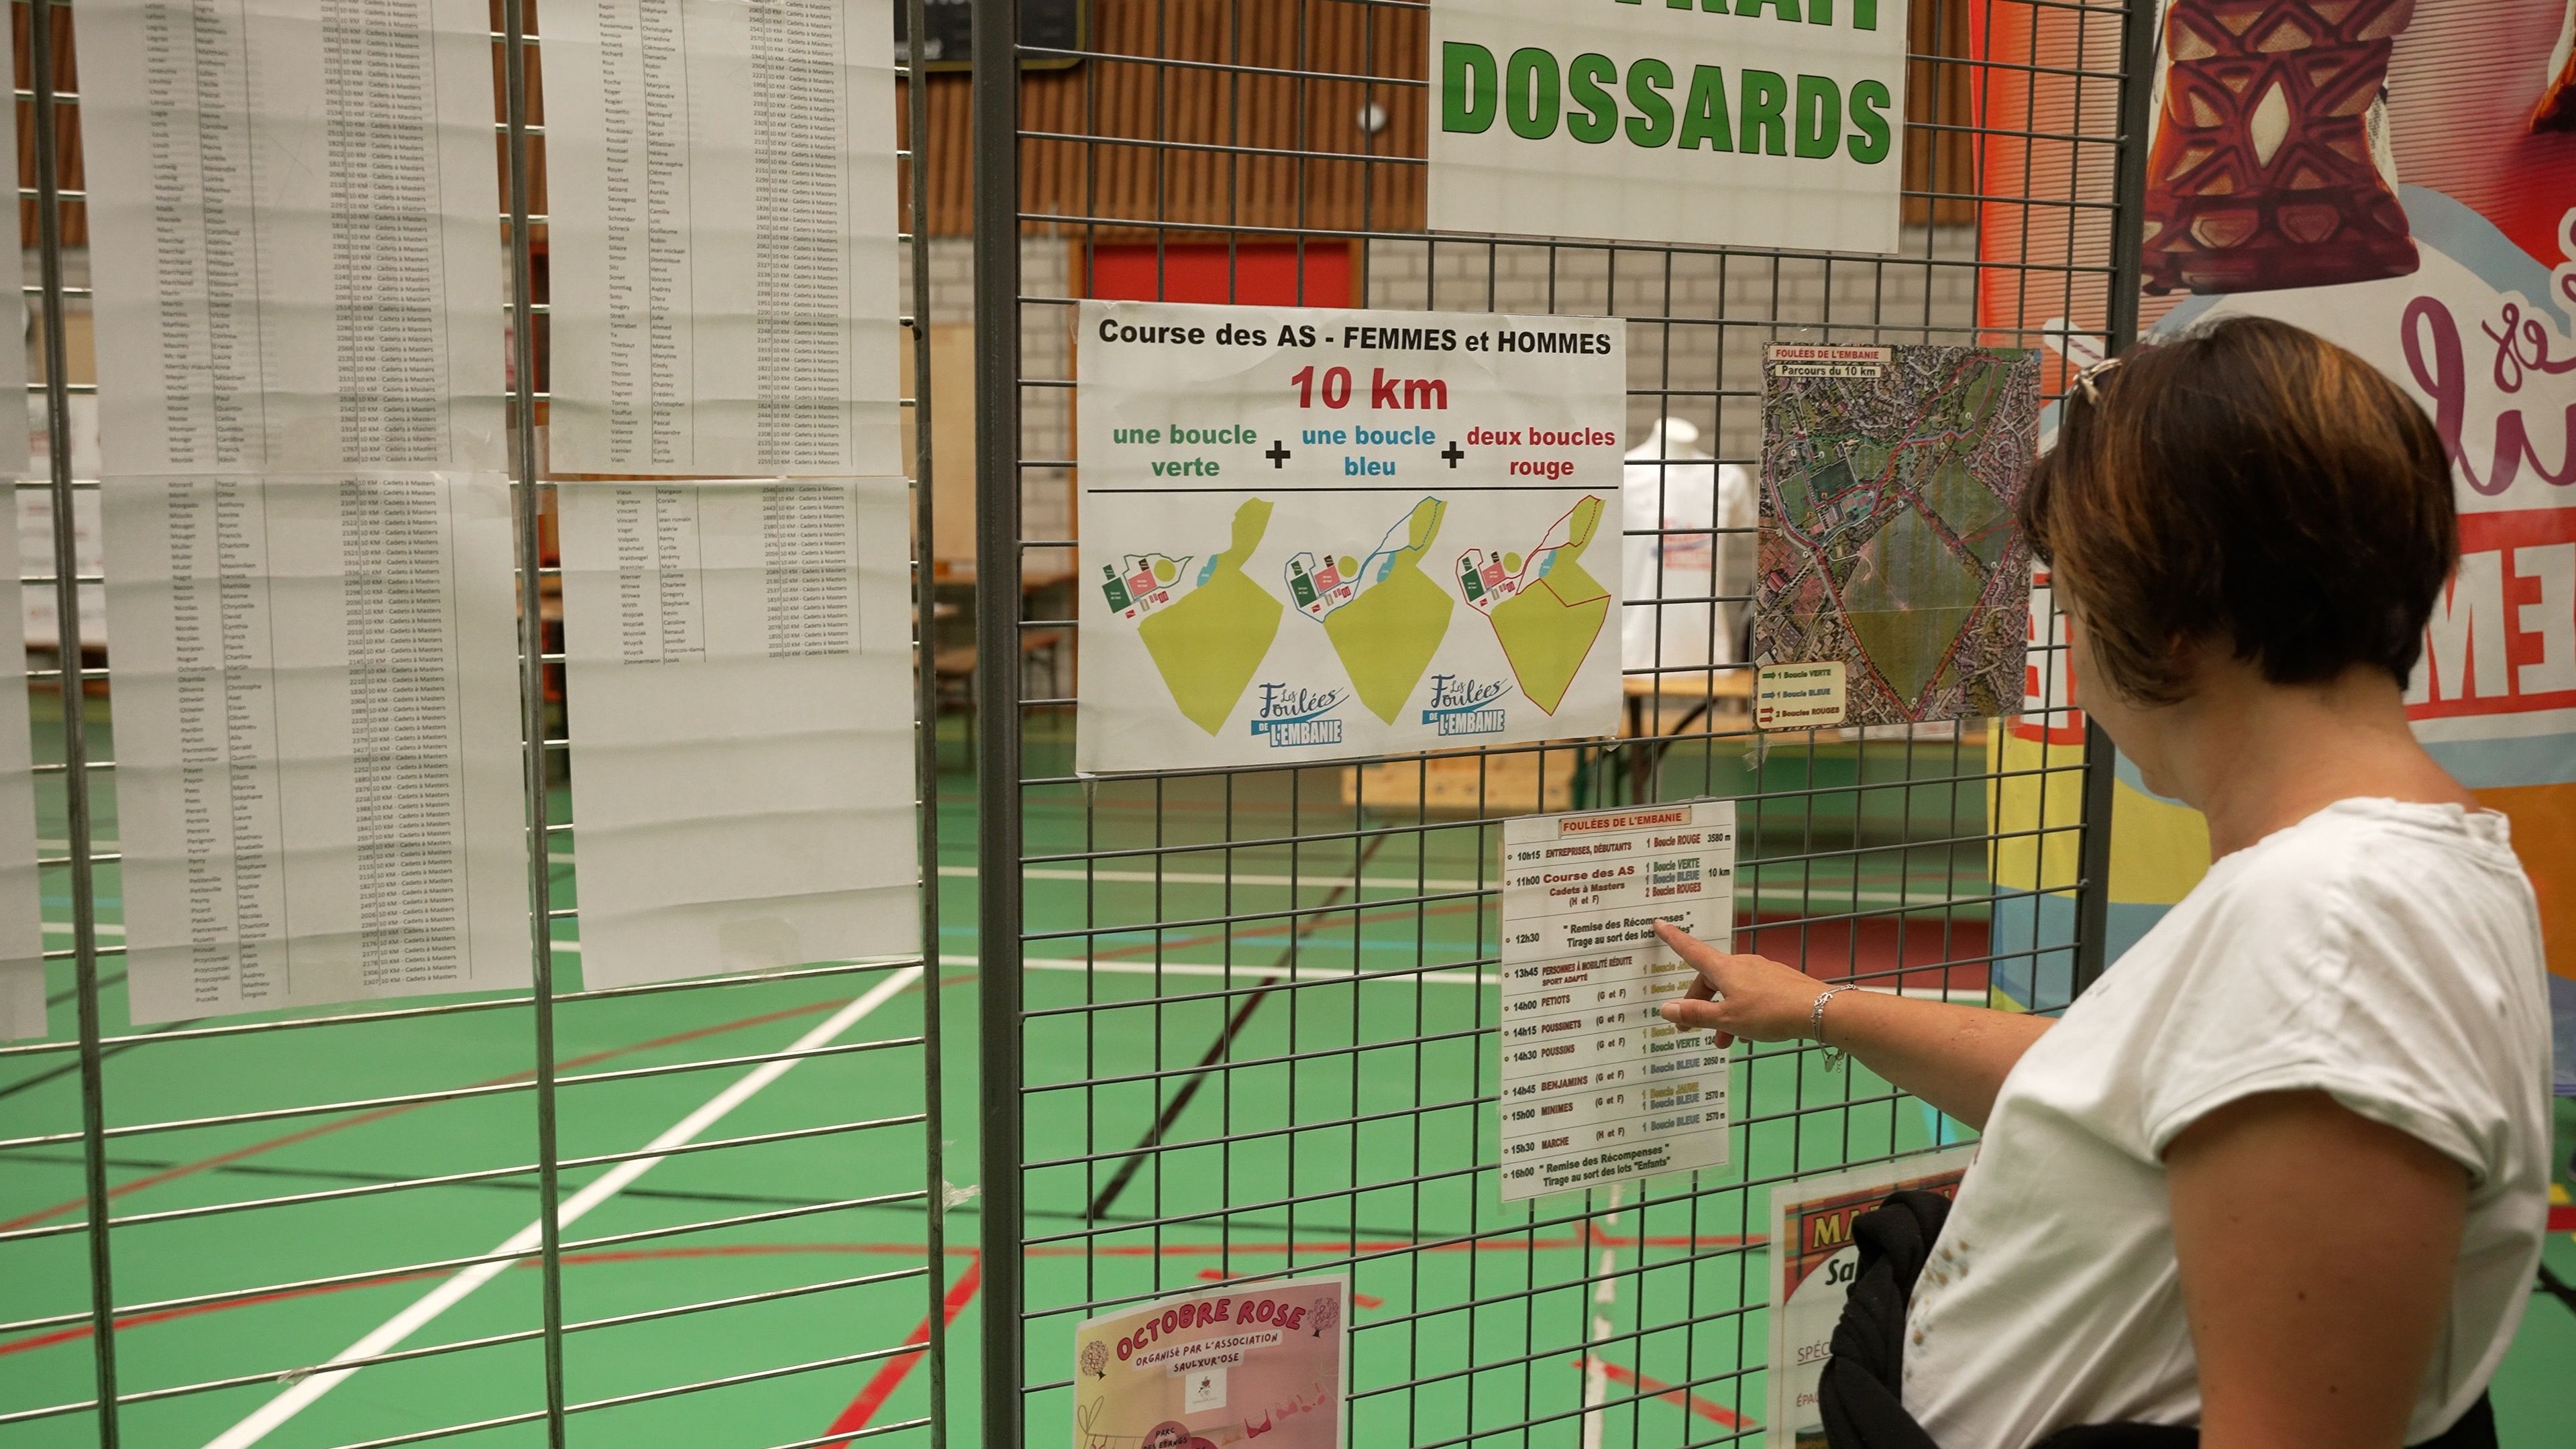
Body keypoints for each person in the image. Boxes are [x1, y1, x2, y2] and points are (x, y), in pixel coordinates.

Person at [1656, 316, 2550, 1448]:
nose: (2072, 652)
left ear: (2168, 620)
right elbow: (2126, 1088)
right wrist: (1821, 1006)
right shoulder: (2363, 883)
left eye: (2075, 605)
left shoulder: (2328, 930)